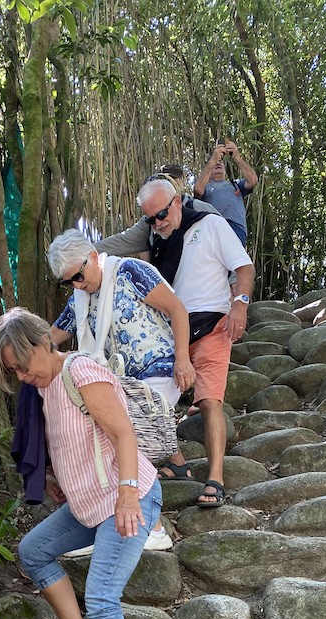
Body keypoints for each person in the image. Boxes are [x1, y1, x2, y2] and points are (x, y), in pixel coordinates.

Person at [0, 307, 163, 619]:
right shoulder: (44, 385)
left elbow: (123, 434)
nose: (23, 376)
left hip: (126, 498)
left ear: (44, 344)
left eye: (23, 365)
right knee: (33, 550)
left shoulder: (80, 371)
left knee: (102, 598)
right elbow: (70, 439)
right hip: (87, 505)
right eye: (13, 371)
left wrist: (125, 493)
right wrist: (53, 478)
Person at [98, 176, 254, 508]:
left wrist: (240, 302)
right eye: (150, 219)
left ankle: (215, 477)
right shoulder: (156, 238)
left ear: (178, 201)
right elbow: (115, 246)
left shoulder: (210, 224)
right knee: (153, 399)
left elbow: (244, 267)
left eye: (162, 215)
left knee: (210, 401)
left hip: (213, 325)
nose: (157, 223)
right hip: (169, 332)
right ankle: (178, 462)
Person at [48, 228, 193, 507]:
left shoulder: (129, 271)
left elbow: (177, 309)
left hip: (160, 367)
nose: (77, 285)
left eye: (78, 276)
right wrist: (1, 342)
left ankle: (140, 509)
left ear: (92, 257)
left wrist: (184, 359)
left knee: (120, 433)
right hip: (124, 382)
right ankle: (178, 465)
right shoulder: (81, 298)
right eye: (69, 282)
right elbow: (49, 339)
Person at [194, 139, 258, 245]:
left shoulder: (236, 184)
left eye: (220, 162)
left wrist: (236, 157)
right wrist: (213, 160)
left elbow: (253, 180)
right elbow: (198, 190)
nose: (218, 163)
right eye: (215, 163)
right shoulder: (206, 187)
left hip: (236, 228)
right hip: (214, 228)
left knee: (235, 260)